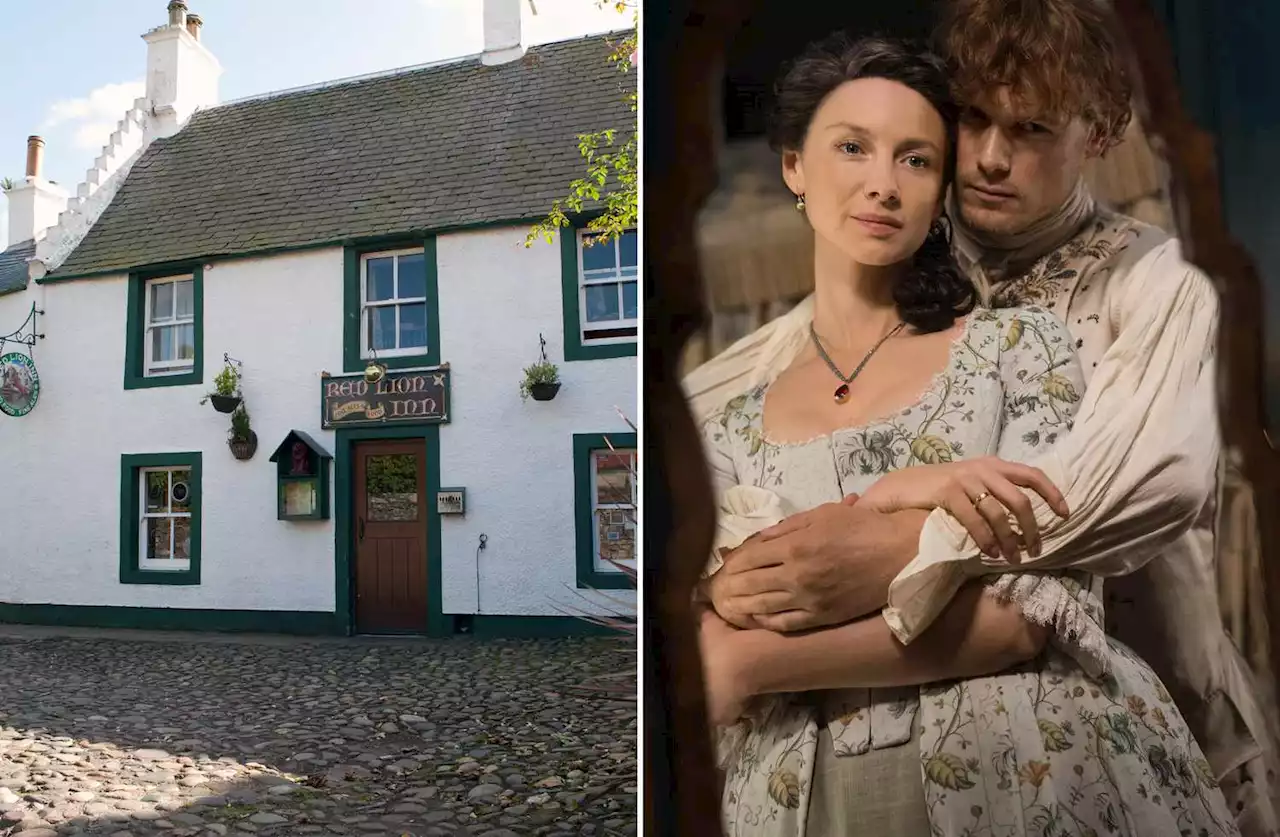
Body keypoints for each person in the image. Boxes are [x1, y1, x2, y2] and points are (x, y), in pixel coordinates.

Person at [684, 0, 1280, 833]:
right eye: (973, 121)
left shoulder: (1159, 283)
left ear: (1100, 135)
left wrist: (892, 537)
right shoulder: (886, 275)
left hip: (1135, 712)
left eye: (1032, 129)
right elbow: (723, 426)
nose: (993, 159)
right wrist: (724, 578)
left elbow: (1141, 486)